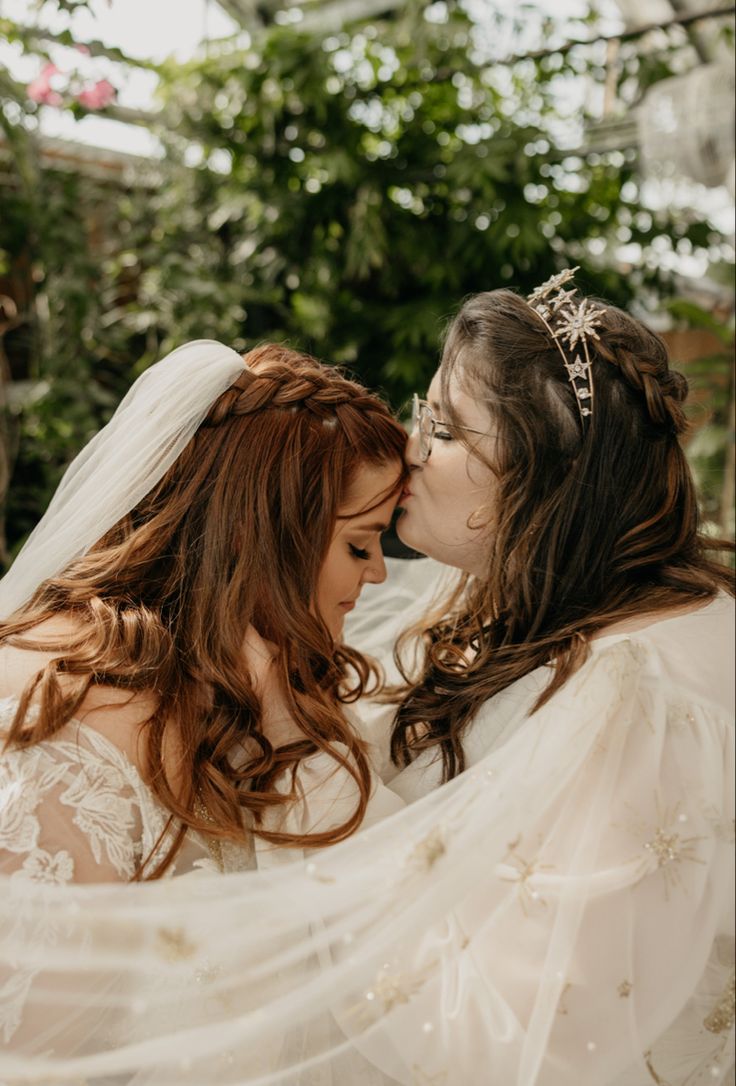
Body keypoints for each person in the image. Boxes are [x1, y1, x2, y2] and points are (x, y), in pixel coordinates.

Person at [1, 278, 733, 1086]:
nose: (416, 449)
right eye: (428, 413)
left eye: (448, 430)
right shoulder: (529, 604)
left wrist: (291, 737)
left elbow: (524, 1039)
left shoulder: (642, 690)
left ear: (537, 487)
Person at [0, 340, 406, 1050]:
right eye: (360, 544)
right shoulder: (78, 729)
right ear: (269, 538)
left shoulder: (224, 689)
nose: (377, 577)